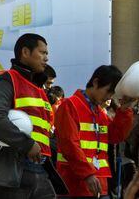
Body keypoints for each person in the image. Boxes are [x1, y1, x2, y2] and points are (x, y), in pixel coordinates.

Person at [0, 33, 66, 199]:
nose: (46, 58)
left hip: (40, 168)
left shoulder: (39, 88)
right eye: (42, 53)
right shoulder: (7, 80)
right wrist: (27, 144)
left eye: (47, 54)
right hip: (12, 169)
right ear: (25, 52)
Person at [55, 65, 136, 198]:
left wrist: (124, 110)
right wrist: (87, 174)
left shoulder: (99, 112)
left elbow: (116, 136)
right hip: (75, 185)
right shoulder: (70, 105)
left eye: (112, 93)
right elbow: (69, 144)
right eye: (108, 91)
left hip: (98, 184)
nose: (109, 97)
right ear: (96, 82)